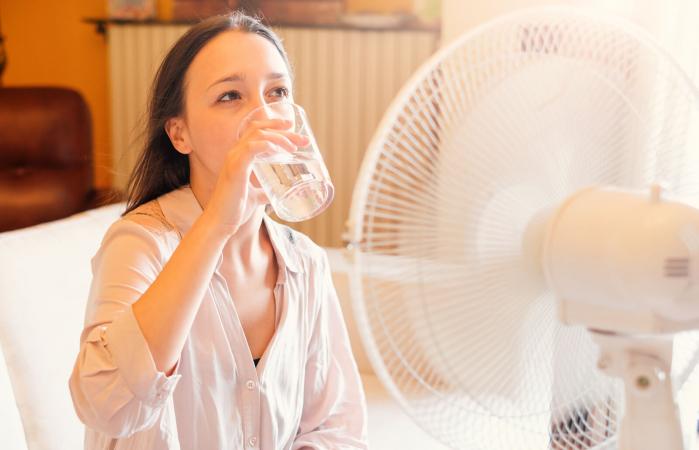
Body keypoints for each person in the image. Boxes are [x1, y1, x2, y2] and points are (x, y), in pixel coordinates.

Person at [69, 11, 368, 449]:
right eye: (231, 96)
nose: (264, 116)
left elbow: (336, 428)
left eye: (278, 92)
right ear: (180, 133)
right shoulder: (140, 243)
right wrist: (218, 224)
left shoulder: (305, 263)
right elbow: (103, 407)